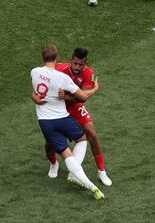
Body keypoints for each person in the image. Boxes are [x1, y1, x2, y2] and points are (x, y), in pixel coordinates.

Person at [30, 44, 104, 200]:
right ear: (58, 59)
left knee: (83, 139)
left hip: (47, 121)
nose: (77, 67)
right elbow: (83, 96)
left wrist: (35, 98)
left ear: (42, 58)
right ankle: (61, 168)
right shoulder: (63, 77)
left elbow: (35, 90)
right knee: (80, 140)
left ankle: (92, 179)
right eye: (74, 63)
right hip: (62, 117)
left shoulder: (34, 72)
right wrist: (95, 89)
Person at [54, 48, 112, 186]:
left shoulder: (89, 73)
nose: (77, 67)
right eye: (74, 63)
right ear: (71, 60)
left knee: (92, 134)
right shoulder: (60, 69)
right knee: (50, 142)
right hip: (59, 107)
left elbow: (82, 99)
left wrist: (67, 96)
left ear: (85, 63)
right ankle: (53, 163)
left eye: (81, 65)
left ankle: (101, 171)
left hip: (75, 107)